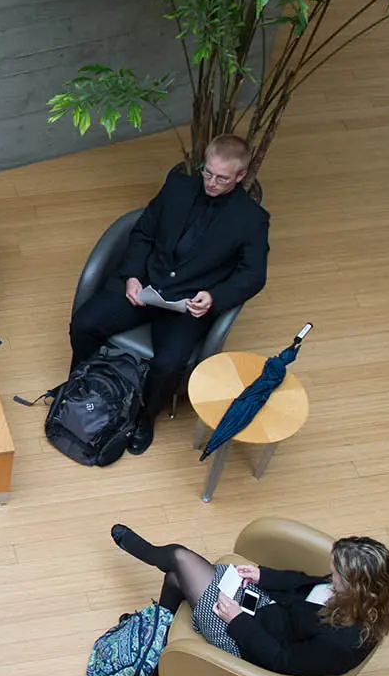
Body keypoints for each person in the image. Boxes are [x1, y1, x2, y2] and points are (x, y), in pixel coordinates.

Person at [68, 135, 270, 455]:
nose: (212, 182)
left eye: (222, 178)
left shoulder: (252, 219)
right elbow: (143, 232)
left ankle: (144, 418)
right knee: (85, 323)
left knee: (169, 363)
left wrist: (214, 297)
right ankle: (81, 384)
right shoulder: (177, 186)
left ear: (241, 176)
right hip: (146, 285)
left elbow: (253, 275)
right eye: (208, 173)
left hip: (187, 306)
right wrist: (132, 276)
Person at [109, 522, 389, 676]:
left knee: (178, 561)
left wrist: (237, 621)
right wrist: (265, 576)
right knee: (177, 576)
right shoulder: (354, 593)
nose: (329, 576)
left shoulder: (340, 644)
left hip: (248, 641)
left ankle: (155, 627)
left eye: (335, 574)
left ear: (354, 587)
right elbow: (304, 583)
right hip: (267, 609)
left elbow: (280, 662)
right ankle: (158, 630)